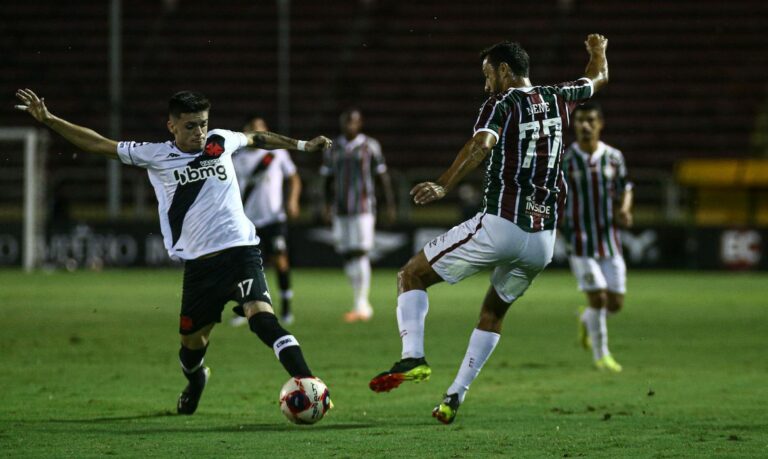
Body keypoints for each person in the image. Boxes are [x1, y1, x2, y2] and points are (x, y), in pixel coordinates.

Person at [14, 89, 333, 415]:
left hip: (240, 253)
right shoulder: (154, 154)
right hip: (200, 268)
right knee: (191, 348)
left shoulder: (220, 141)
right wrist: (50, 120)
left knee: (262, 320)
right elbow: (99, 144)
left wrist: (302, 145)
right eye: (191, 126)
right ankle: (196, 380)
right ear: (172, 126)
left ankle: (309, 382)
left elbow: (257, 138)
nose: (199, 132)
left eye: (203, 124)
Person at [368, 34, 609, 424]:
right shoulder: (558, 96)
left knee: (411, 275)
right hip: (543, 241)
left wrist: (443, 183)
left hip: (501, 223)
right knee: (493, 313)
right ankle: (454, 396)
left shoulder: (503, 103)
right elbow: (598, 78)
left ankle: (413, 356)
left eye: (488, 75)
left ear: (504, 70)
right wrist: (598, 50)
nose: (486, 85)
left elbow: (481, 145)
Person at [561, 101, 633, 372]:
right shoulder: (566, 160)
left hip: (609, 239)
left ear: (600, 124)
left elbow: (626, 187)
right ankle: (602, 356)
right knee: (599, 299)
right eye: (580, 120)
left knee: (615, 303)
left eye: (591, 120)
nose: (585, 126)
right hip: (579, 241)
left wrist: (625, 209)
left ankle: (586, 319)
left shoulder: (613, 157)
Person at [320, 108, 396, 322]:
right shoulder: (332, 147)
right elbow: (327, 179)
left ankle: (362, 303)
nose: (349, 126)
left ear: (360, 123)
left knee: (361, 252)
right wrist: (325, 205)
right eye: (346, 122)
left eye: (353, 122)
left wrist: (389, 205)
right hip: (340, 208)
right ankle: (358, 301)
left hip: (364, 207)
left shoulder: (370, 146)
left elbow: (382, 177)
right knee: (347, 253)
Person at [230, 116, 301, 326]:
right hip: (247, 220)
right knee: (245, 265)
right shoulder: (237, 158)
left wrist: (293, 200)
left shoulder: (277, 154)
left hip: (273, 218)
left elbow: (294, 178)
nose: (258, 134)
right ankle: (245, 308)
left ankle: (286, 307)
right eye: (254, 129)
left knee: (280, 259)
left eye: (261, 129)